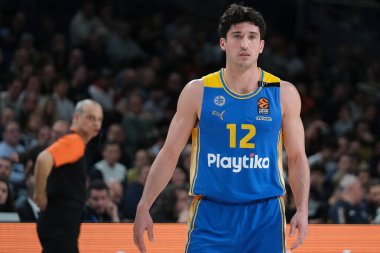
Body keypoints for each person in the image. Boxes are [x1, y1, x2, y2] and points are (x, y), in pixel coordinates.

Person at [133, 3, 310, 253]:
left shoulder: (283, 93)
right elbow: (170, 152)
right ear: (223, 43)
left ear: (261, 45)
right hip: (211, 213)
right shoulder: (198, 91)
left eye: (252, 37)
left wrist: (302, 209)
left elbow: (296, 157)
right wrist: (144, 205)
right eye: (237, 36)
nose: (245, 44)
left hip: (265, 216)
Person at [34, 99, 103, 253]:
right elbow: (43, 159)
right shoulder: (74, 142)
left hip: (62, 223)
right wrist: (39, 194)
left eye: (99, 119)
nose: (96, 124)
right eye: (91, 118)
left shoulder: (77, 144)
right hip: (59, 223)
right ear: (76, 118)